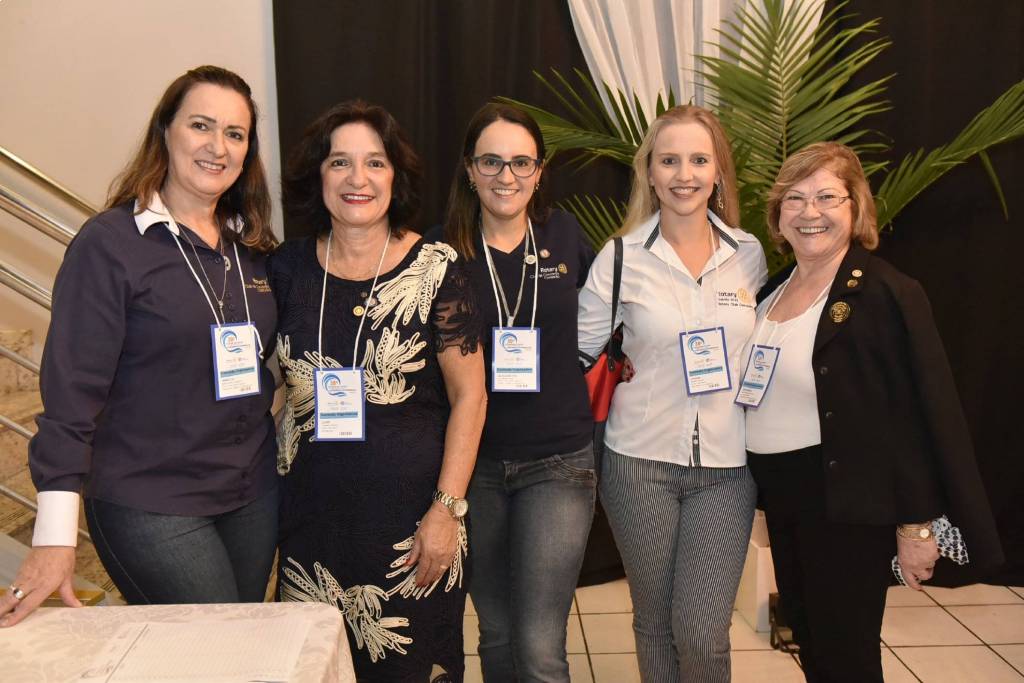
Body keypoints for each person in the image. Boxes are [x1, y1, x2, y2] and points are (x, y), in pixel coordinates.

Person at [0, 66, 280, 627]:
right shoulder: (110, 245)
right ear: (165, 131)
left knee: (241, 643)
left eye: (235, 133)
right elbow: (71, 395)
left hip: (250, 494)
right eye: (201, 125)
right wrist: (54, 535)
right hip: (151, 500)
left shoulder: (250, 247)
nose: (217, 146)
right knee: (216, 645)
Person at [744, 141, 1004, 683]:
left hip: (845, 505)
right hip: (784, 500)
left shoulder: (887, 293)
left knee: (847, 657)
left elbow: (918, 417)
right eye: (795, 198)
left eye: (826, 197)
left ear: (856, 207)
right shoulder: (772, 290)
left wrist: (916, 525)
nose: (810, 212)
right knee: (812, 641)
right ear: (778, 214)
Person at [271, 100, 486, 682]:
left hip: (412, 535)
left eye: (374, 162)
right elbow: (269, 385)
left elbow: (471, 397)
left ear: (396, 176)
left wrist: (446, 511)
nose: (357, 179)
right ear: (318, 176)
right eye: (339, 162)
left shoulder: (437, 269)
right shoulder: (286, 269)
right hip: (311, 532)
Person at [577, 105, 767, 681]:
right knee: (655, 621)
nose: (685, 175)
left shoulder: (749, 254)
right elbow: (578, 354)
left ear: (718, 172)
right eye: (669, 161)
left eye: (699, 160)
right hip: (638, 463)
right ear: (650, 173)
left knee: (702, 631)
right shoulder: (620, 257)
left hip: (727, 468)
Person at [428, 103, 595, 682]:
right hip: (472, 467)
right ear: (469, 169)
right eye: (491, 162)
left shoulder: (565, 235)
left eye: (521, 162)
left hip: (558, 461)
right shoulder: (439, 252)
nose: (507, 176)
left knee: (540, 644)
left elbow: (606, 321)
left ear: (540, 170)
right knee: (495, 633)